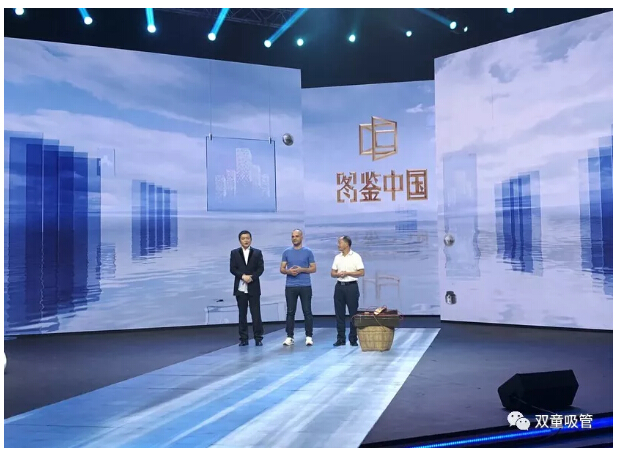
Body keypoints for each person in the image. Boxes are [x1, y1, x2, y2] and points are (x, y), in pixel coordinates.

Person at [280, 229, 316, 346]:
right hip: (290, 286)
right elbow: (282, 269)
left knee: (307, 311)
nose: (294, 238)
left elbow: (313, 268)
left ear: (301, 237)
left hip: (305, 285)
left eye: (296, 236)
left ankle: (309, 336)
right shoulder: (286, 252)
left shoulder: (308, 252)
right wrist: (289, 271)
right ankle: (289, 336)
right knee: (290, 312)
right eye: (292, 236)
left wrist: (301, 270)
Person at [229, 230, 265, 346]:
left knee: (256, 313)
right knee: (242, 314)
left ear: (251, 239)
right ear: (240, 240)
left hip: (254, 287)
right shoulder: (234, 253)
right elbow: (232, 269)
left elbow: (260, 269)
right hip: (240, 287)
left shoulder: (257, 253)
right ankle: (243, 338)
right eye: (243, 238)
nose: (246, 240)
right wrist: (242, 276)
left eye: (247, 238)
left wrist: (252, 277)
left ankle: (258, 338)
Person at [330, 235, 365, 346]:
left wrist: (348, 273)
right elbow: (332, 273)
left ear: (346, 244)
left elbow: (361, 272)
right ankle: (341, 338)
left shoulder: (356, 257)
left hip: (351, 286)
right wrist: (338, 274)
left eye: (340, 243)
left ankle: (353, 338)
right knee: (339, 313)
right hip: (339, 287)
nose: (338, 245)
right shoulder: (337, 257)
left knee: (353, 313)